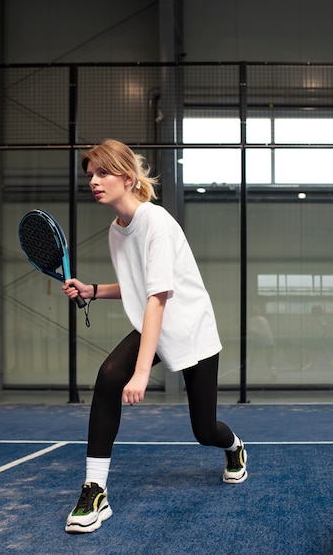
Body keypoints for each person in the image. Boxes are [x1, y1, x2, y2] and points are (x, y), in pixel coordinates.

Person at [62, 139, 248, 534]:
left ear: (127, 178)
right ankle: (95, 489)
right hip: (153, 324)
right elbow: (137, 287)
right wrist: (93, 289)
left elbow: (158, 298)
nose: (94, 181)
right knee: (109, 374)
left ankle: (234, 447)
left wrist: (143, 371)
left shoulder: (156, 222)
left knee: (204, 431)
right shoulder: (117, 230)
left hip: (191, 328)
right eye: (90, 175)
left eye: (102, 173)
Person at [249, 305, 277, 380]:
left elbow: (254, 331)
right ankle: (273, 373)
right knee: (269, 358)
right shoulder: (264, 319)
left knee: (252, 357)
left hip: (259, 340)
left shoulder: (252, 320)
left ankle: (249, 374)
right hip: (269, 340)